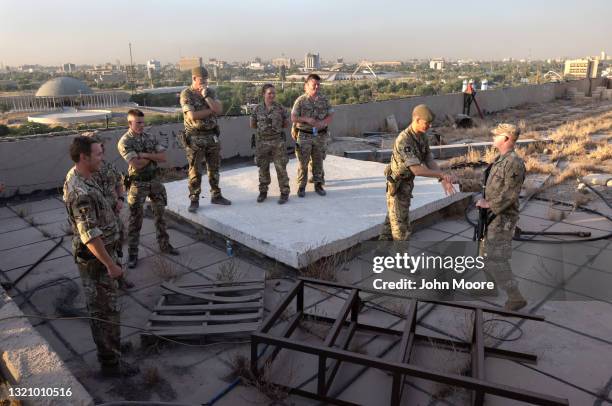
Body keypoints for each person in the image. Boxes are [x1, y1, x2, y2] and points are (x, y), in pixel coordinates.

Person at [63, 136, 138, 377]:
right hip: (97, 261)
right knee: (104, 312)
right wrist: (111, 265)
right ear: (83, 157)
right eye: (97, 154)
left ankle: (112, 347)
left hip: (106, 254)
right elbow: (90, 235)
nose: (101, 157)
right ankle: (110, 363)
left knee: (109, 308)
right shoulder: (80, 190)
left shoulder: (85, 177)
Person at [460, 123, 527, 311]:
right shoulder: (500, 159)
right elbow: (488, 185)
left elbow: (511, 193)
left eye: (496, 135)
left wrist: (489, 204)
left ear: (506, 138)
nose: (492, 137)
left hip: (502, 218)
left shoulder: (514, 162)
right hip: (490, 216)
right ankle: (490, 288)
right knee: (483, 254)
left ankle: (516, 297)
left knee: (496, 258)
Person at [380, 104, 456, 241]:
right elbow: (416, 169)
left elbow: (429, 159)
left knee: (391, 224)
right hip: (397, 186)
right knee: (402, 230)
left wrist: (442, 179)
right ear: (416, 119)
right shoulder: (404, 140)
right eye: (427, 123)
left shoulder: (422, 136)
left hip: (407, 184)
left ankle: (380, 253)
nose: (429, 127)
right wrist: (441, 175)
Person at [118, 109, 178, 269]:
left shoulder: (149, 137)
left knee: (161, 217)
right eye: (138, 123)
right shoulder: (125, 142)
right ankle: (132, 254)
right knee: (135, 221)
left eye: (143, 122)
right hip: (138, 184)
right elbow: (136, 165)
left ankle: (165, 245)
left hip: (155, 181)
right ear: (130, 123)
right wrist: (152, 155)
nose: (142, 125)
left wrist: (143, 154)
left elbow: (164, 158)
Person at [180, 66, 231, 212]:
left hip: (212, 136)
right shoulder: (186, 94)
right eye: (202, 80)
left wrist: (206, 97)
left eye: (206, 80)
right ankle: (194, 199)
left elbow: (220, 109)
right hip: (195, 137)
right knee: (195, 171)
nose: (205, 83)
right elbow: (192, 116)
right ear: (194, 79)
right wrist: (211, 109)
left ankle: (216, 195)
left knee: (214, 168)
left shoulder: (210, 92)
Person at [86, 132, 133, 288]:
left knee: (117, 248)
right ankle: (105, 285)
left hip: (113, 216)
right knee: (102, 254)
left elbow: (120, 183)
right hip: (97, 221)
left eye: (102, 145)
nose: (103, 148)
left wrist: (120, 199)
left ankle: (120, 278)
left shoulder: (107, 165)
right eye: (99, 145)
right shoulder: (84, 172)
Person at [291, 74, 334, 197]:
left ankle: (318, 184)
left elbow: (331, 115)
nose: (316, 86)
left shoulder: (324, 100)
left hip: (320, 136)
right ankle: (301, 186)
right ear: (307, 86)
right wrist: (306, 119)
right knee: (302, 162)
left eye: (318, 84)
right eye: (314, 84)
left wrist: (324, 122)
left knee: (318, 161)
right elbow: (293, 118)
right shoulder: (300, 101)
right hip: (305, 135)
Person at [250, 84, 290, 204]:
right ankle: (263, 191)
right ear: (263, 94)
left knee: (281, 168)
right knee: (263, 168)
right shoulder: (257, 109)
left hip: (277, 142)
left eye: (273, 93)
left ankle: (284, 192)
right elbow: (252, 124)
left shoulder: (280, 108)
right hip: (262, 142)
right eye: (269, 93)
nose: (272, 95)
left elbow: (286, 123)